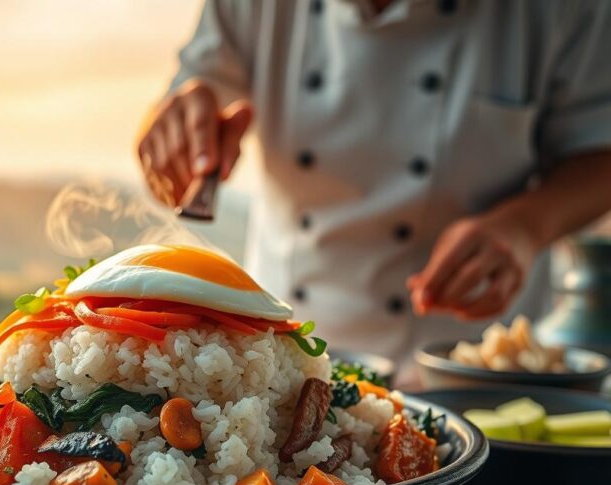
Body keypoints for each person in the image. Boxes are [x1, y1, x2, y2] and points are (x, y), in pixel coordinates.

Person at [138, 0, 611, 383]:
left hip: (468, 364)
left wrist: (525, 226)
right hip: (277, 354)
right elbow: (191, 92)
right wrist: (174, 138)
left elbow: (600, 147)